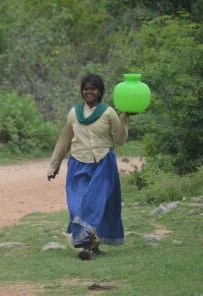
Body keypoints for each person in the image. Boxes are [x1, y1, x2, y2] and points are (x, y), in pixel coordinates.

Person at [47, 74, 130, 261]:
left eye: (93, 89)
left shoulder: (108, 113)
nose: (89, 92)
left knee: (95, 204)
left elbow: (119, 139)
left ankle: (88, 246)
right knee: (76, 205)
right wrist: (54, 166)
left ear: (99, 91)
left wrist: (124, 118)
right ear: (81, 91)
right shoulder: (73, 113)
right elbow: (64, 140)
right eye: (85, 89)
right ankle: (89, 242)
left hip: (103, 164)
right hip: (78, 164)